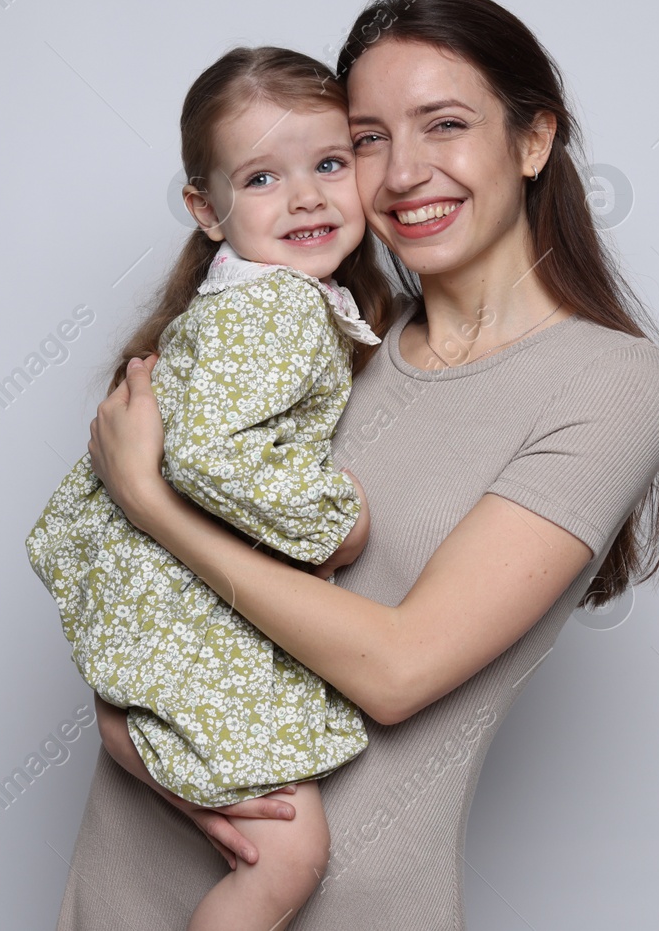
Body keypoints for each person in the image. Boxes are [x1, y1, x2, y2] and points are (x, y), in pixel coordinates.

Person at [56, 0, 659, 929]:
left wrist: (153, 500)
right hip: (131, 876)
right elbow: (144, 597)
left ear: (532, 139)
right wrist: (121, 725)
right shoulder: (327, 339)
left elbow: (396, 672)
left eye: (443, 125)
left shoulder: (610, 383)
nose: (401, 174)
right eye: (368, 139)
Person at [25, 45, 397, 930]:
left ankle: (139, 742)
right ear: (208, 208)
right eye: (264, 177)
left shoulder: (239, 298)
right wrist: (339, 522)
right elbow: (210, 460)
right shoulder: (275, 306)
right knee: (290, 852)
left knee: (269, 838)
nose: (307, 196)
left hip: (155, 593)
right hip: (188, 603)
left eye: (330, 164)